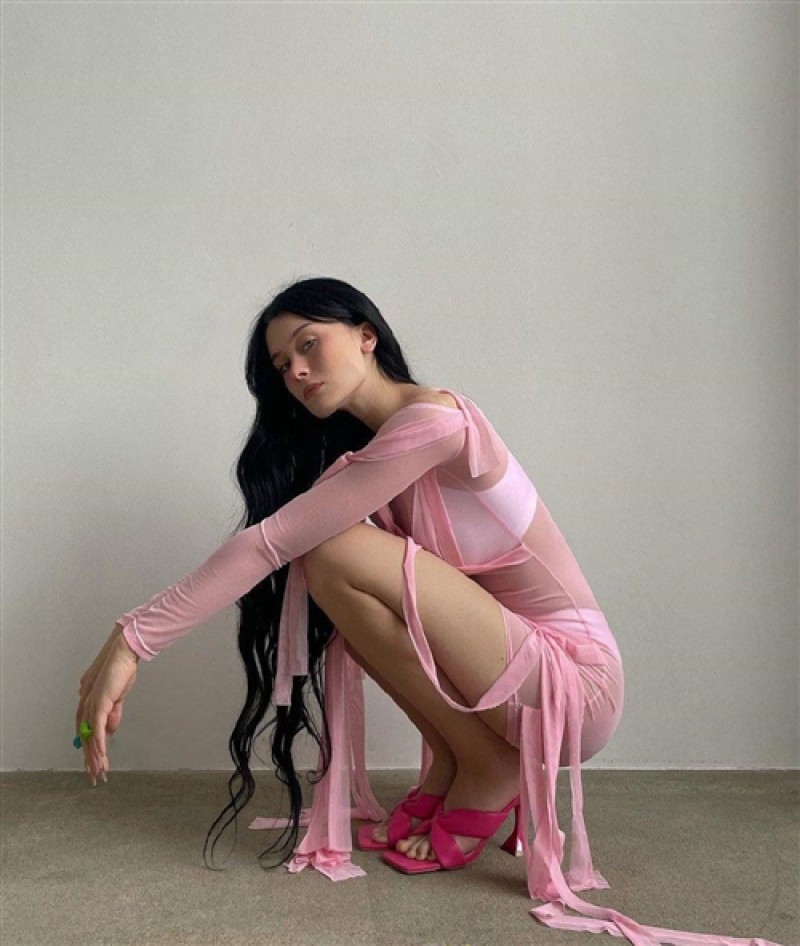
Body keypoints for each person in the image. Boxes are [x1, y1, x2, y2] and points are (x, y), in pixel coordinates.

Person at [75, 277, 780, 946]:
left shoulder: (435, 421)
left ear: (366, 335)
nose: (296, 370)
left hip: (574, 687)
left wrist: (132, 640)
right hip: (515, 679)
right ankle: (459, 756)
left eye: (309, 344)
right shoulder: (377, 451)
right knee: (329, 563)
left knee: (329, 548)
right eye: (282, 364)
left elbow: (272, 541)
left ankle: (487, 765)